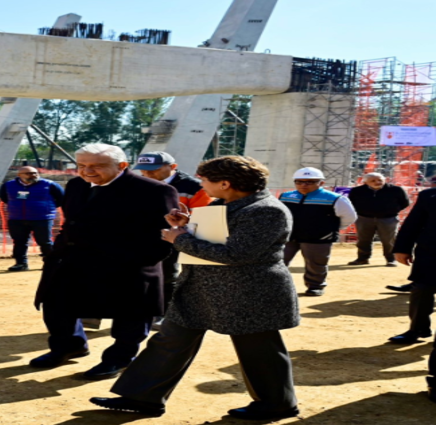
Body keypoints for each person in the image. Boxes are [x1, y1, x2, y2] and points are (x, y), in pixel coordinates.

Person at [90, 156, 300, 420]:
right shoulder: (228, 204)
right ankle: (142, 397)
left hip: (248, 294)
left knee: (259, 349)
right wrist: (185, 227)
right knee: (170, 341)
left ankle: (277, 403)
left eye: (204, 180)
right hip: (202, 290)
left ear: (225, 183)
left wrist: (181, 239)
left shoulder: (266, 210)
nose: (201, 185)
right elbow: (217, 240)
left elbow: (237, 254)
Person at [31, 143, 178, 380]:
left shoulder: (154, 190)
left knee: (130, 315)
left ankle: (118, 359)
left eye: (96, 166)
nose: (87, 171)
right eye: (82, 165)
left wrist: (139, 261)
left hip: (126, 265)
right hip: (73, 259)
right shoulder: (76, 185)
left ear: (121, 166)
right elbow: (72, 221)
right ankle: (69, 346)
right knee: (56, 303)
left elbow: (162, 235)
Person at [133, 151, 212, 328]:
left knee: (168, 274)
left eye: (154, 169)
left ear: (173, 167)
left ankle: (164, 312)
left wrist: (182, 227)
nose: (147, 173)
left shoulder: (193, 186)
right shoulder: (138, 184)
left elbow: (204, 213)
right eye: (143, 170)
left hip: (175, 236)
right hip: (142, 237)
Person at [279, 167, 357, 296]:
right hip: (288, 236)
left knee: (316, 264)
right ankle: (276, 286)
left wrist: (329, 228)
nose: (304, 185)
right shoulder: (286, 196)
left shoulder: (335, 198)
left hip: (318, 237)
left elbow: (349, 217)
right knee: (278, 261)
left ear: (321, 183)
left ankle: (315, 286)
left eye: (310, 182)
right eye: (299, 182)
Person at [391, 186, 436, 402]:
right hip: (430, 256)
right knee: (421, 292)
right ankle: (417, 330)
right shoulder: (429, 195)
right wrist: (402, 247)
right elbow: (413, 223)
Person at [0, 166, 64, 272]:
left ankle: (51, 263)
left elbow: (61, 198)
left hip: (42, 218)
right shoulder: (8, 185)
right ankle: (21, 263)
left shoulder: (50, 184)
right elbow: (4, 198)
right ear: (19, 175)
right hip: (16, 218)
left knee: (45, 242)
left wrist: (46, 208)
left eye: (35, 173)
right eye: (28, 173)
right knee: (19, 242)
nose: (33, 175)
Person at [347, 173, 410, 267]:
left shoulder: (395, 190)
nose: (377, 182)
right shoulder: (357, 191)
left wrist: (392, 210)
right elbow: (350, 203)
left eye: (380, 180)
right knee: (363, 240)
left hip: (388, 219)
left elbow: (405, 202)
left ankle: (391, 259)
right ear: (365, 182)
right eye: (373, 181)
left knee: (389, 240)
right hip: (364, 219)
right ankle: (363, 258)